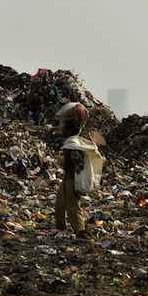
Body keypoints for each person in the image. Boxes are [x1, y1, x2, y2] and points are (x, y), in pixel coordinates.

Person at [55, 102, 90, 238]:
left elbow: (79, 162)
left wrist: (78, 178)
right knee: (59, 204)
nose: (61, 130)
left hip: (72, 181)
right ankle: (60, 228)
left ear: (69, 130)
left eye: (64, 128)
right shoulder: (70, 143)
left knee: (73, 207)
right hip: (66, 179)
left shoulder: (73, 145)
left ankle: (80, 231)